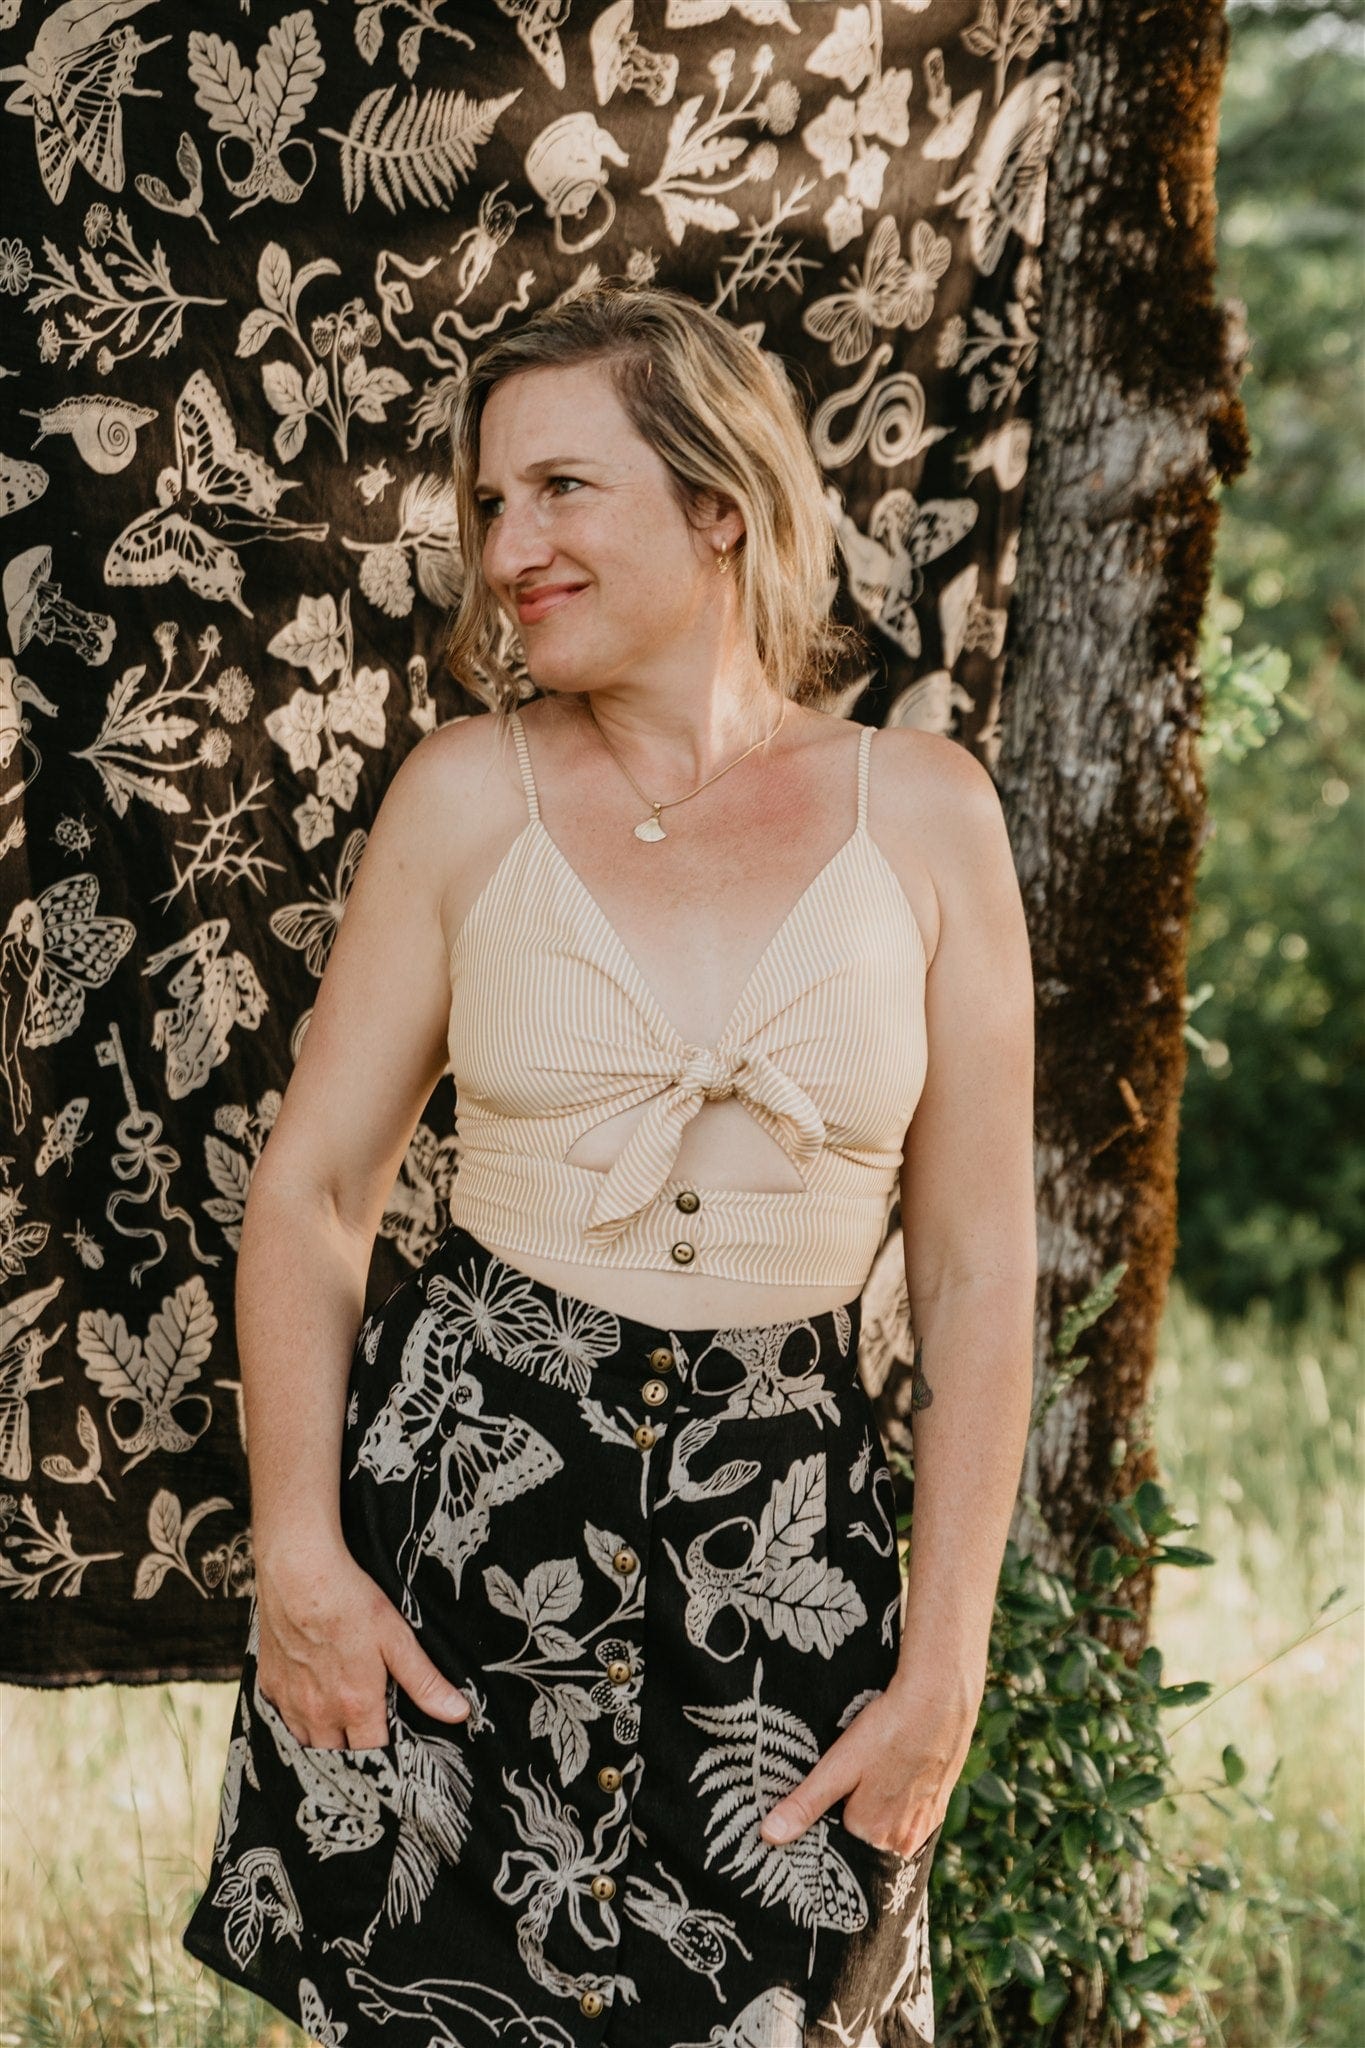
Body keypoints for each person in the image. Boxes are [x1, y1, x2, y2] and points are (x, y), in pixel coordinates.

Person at [182, 283, 1037, 2047]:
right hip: (466, 1521)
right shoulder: (462, 795)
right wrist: (300, 1558)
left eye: (563, 488)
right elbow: (317, 1194)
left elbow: (974, 1266)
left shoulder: (928, 810)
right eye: (492, 503)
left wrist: (945, 1658)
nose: (509, 549)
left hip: (784, 1533)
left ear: (718, 501)